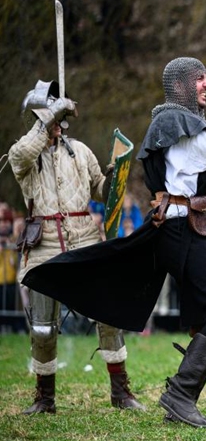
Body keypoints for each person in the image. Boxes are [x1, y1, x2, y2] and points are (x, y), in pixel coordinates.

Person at [22, 57, 206, 427]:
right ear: (181, 85)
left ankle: (181, 396)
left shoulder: (180, 127)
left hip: (190, 229)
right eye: (200, 79)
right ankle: (181, 395)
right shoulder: (176, 124)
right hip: (183, 231)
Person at [9, 80, 144, 414]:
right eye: (48, 116)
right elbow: (20, 153)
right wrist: (49, 117)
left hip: (84, 237)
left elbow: (99, 190)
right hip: (44, 245)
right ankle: (45, 398)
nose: (55, 122)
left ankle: (120, 391)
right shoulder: (24, 155)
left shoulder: (81, 151)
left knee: (108, 314)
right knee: (42, 328)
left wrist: (113, 176)